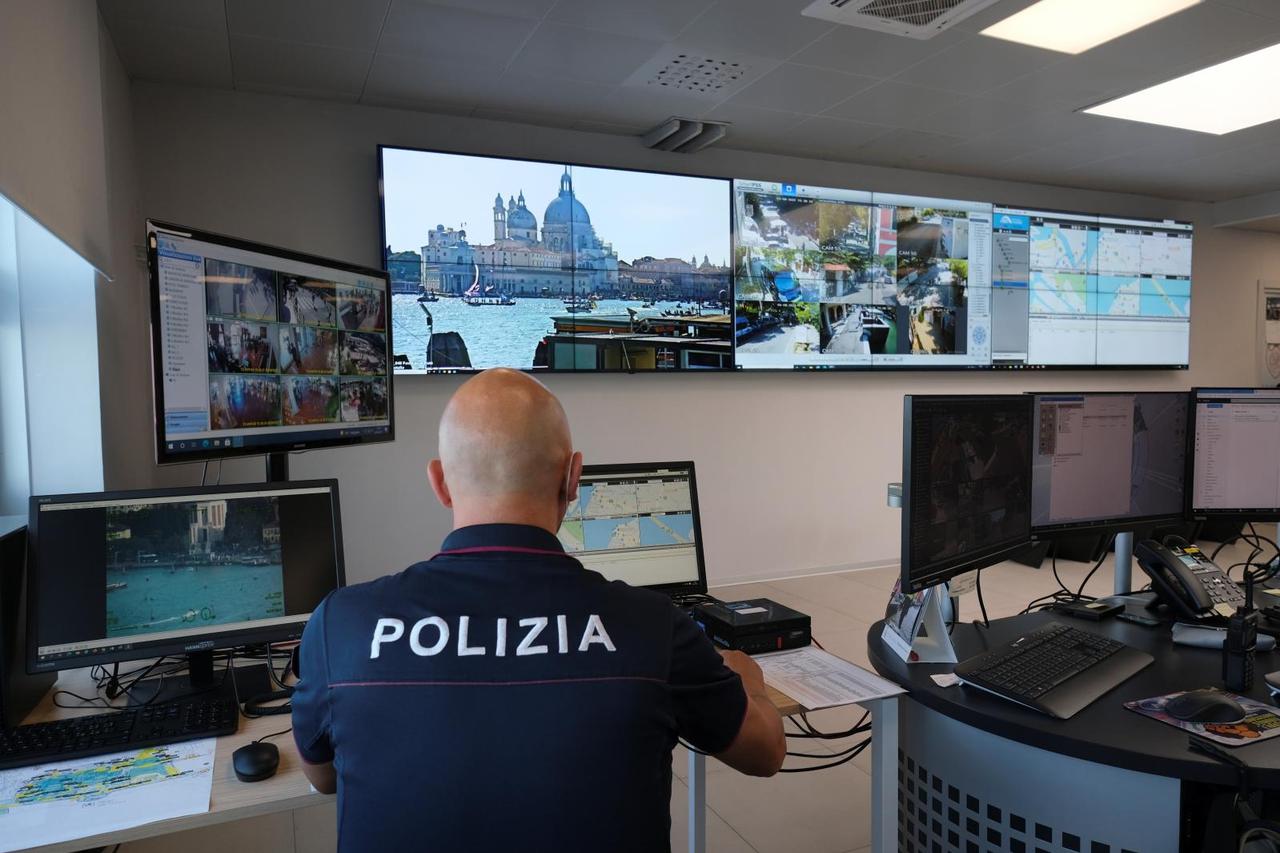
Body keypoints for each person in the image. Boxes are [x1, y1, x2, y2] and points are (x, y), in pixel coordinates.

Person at [291, 368, 785, 852]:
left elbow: (323, 774)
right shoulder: (654, 628)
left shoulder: (341, 625)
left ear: (439, 483)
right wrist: (749, 681)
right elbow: (766, 754)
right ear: (574, 478)